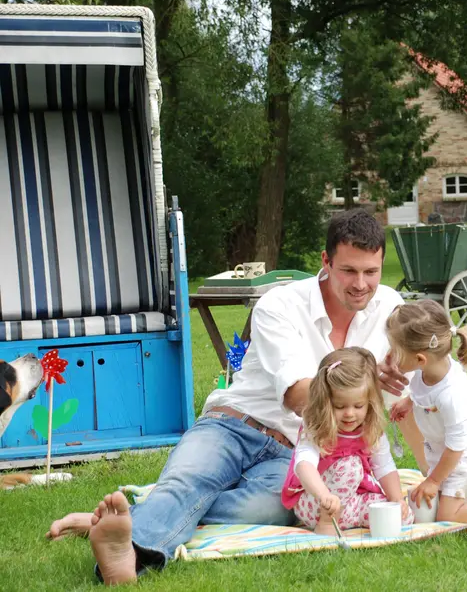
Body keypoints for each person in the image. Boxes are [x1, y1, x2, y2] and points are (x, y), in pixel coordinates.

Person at [45, 209, 426, 585]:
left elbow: (419, 386)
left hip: (292, 450)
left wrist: (433, 470)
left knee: (271, 510)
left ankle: (136, 516)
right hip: (232, 424)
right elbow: (297, 397)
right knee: (190, 479)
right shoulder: (281, 304)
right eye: (349, 271)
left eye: (371, 272)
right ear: (325, 262)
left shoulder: (389, 309)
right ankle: (129, 553)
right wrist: (368, 380)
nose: (361, 283)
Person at [387, 300, 467, 524]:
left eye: (395, 351)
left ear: (420, 359)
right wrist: (409, 402)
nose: (389, 356)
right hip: (444, 458)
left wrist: (434, 481)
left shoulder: (452, 395)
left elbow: (457, 446)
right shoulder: (428, 370)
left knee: (448, 517)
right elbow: (423, 391)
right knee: (426, 507)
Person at [282, 347, 413, 532]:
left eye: (358, 406)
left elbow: (384, 466)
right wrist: (324, 496)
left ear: (369, 402)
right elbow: (304, 465)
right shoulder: (317, 427)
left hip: (352, 502)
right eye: (339, 406)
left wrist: (396, 499)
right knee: (349, 466)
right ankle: (327, 524)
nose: (350, 413)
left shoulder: (370, 428)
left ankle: (350, 520)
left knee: (400, 516)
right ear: (325, 402)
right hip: (316, 503)